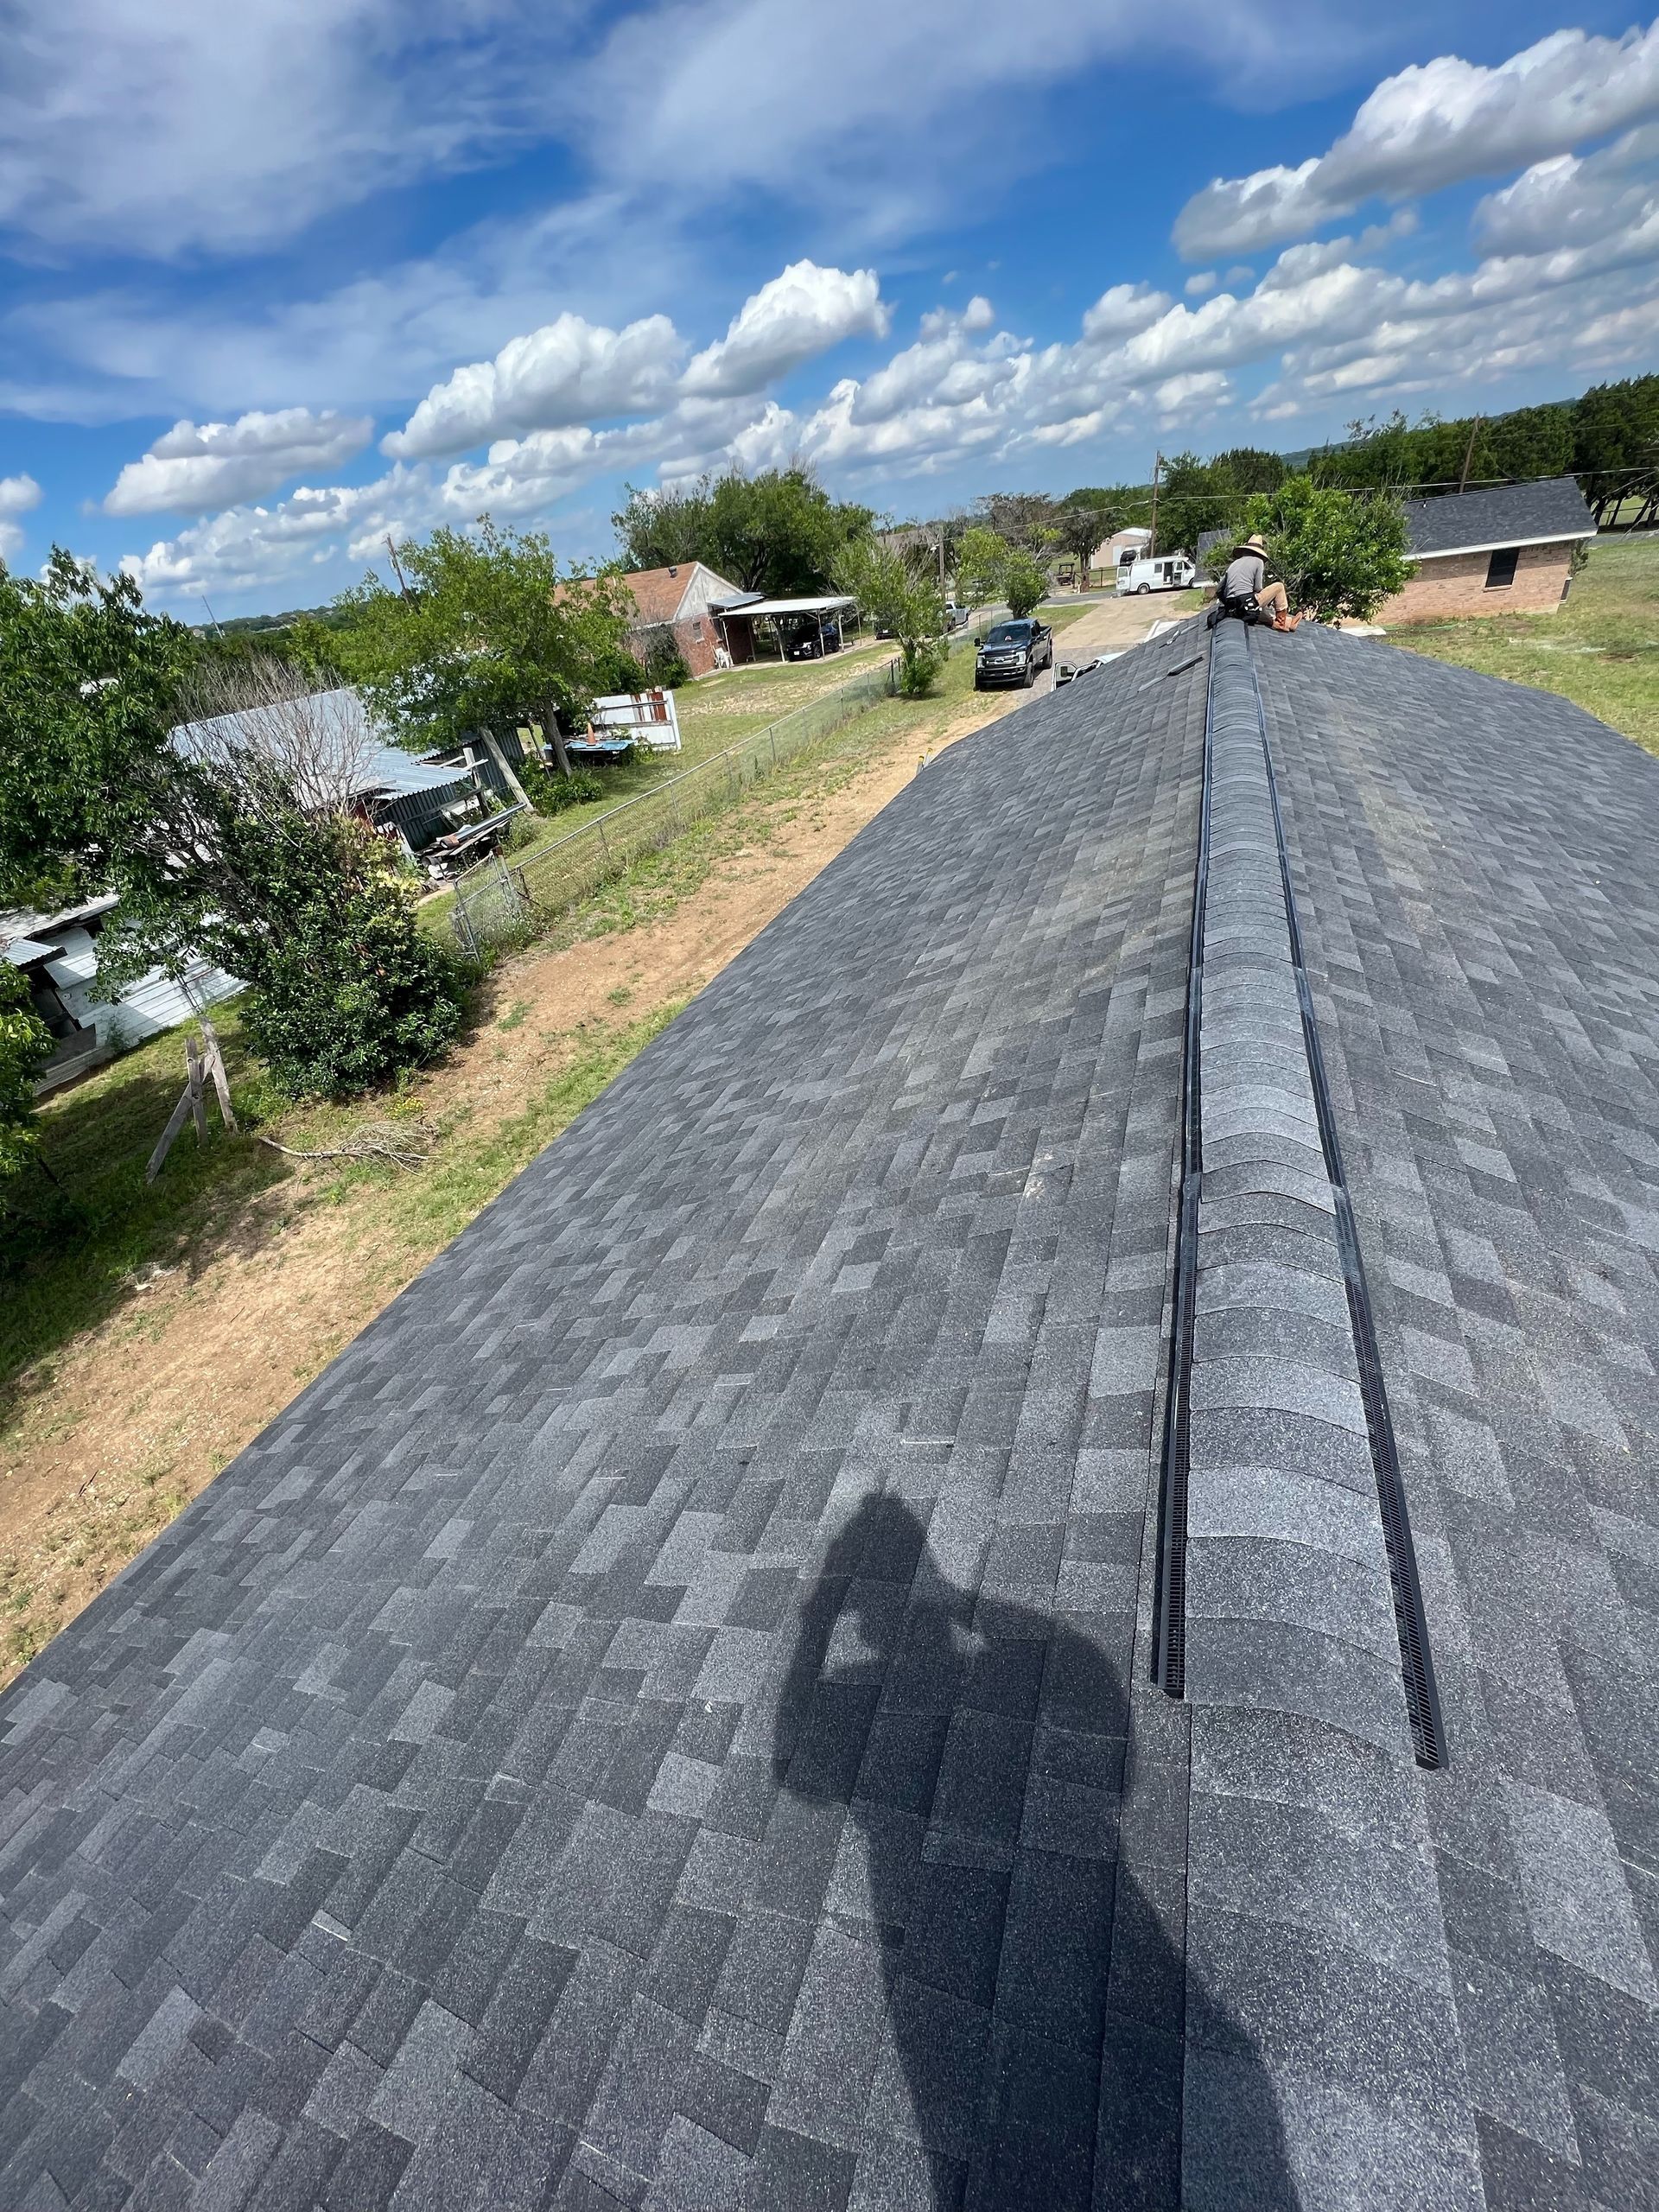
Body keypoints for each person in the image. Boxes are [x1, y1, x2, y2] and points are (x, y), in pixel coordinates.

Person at [1214, 533, 1300, 631]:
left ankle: (1288, 624)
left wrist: (1230, 603)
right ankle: (1282, 622)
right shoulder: (1258, 561)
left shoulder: (1234, 564)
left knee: (1260, 612)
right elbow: (1258, 588)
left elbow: (1219, 590)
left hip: (1233, 608)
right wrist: (1269, 600)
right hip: (1246, 602)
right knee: (1279, 587)